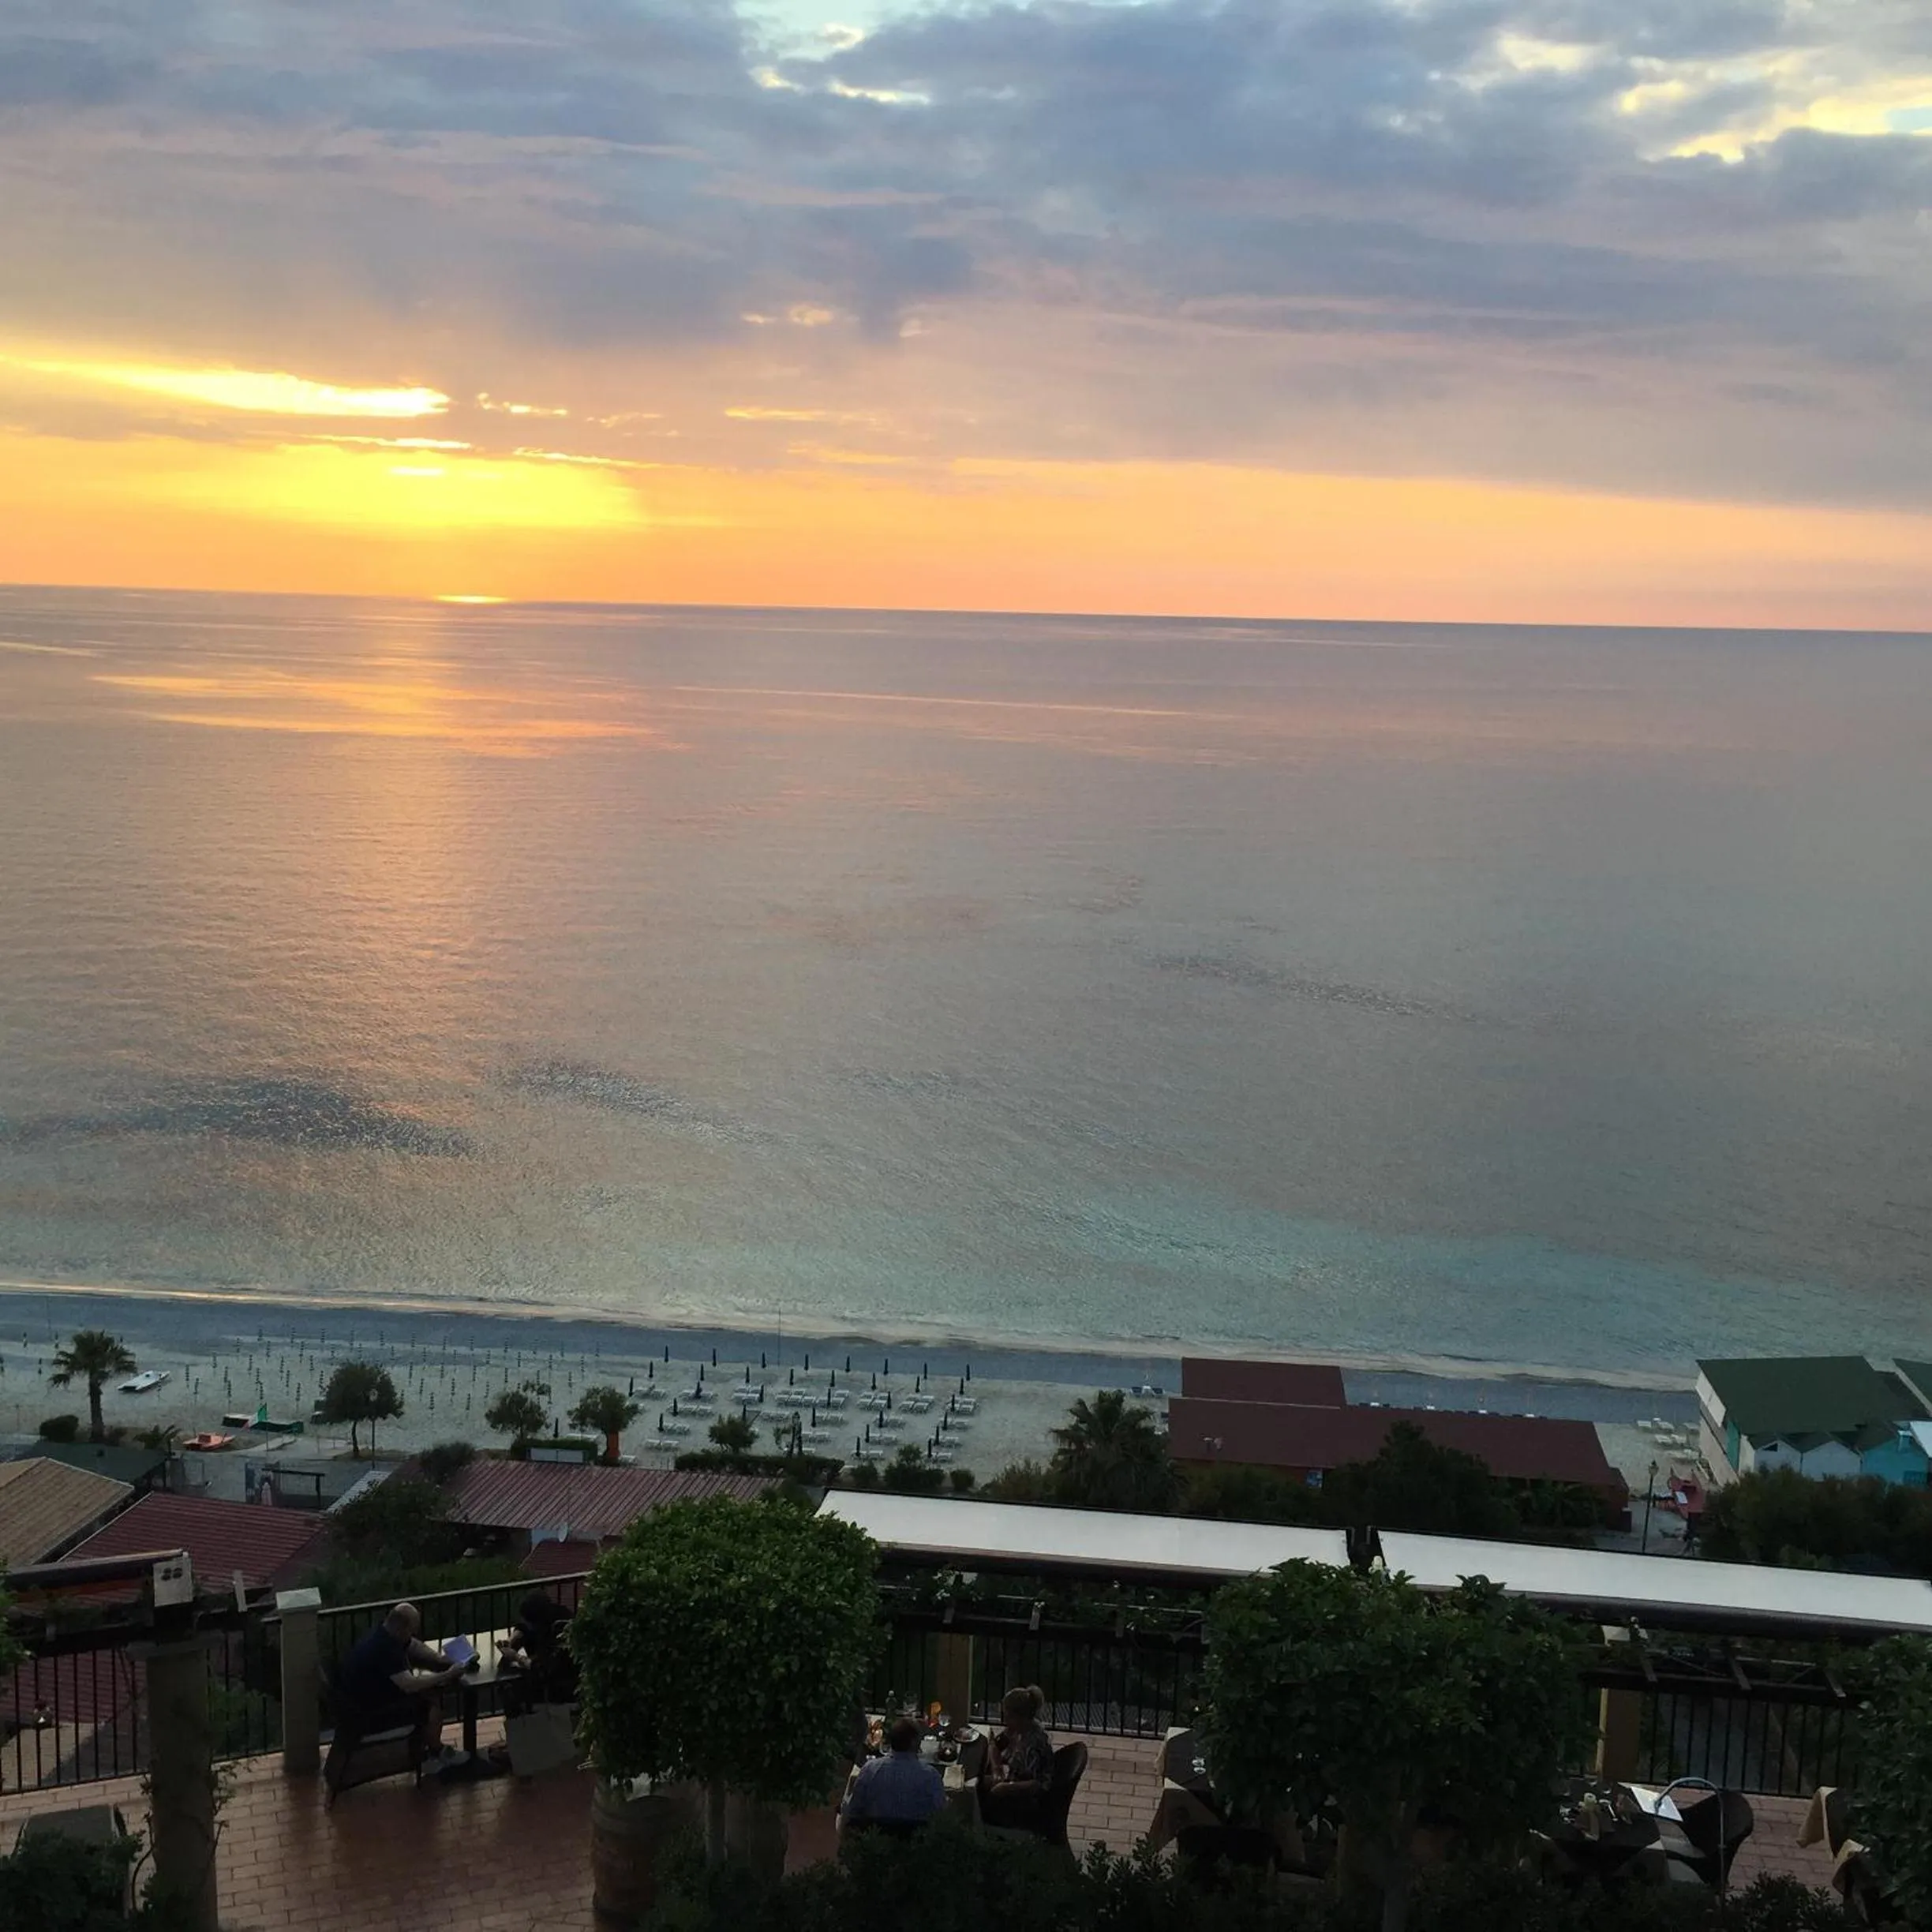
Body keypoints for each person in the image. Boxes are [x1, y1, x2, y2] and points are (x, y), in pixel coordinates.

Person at [336, 1601, 469, 1769]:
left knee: (427, 1693)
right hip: (366, 1716)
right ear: (402, 1629)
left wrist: (441, 1661)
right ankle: (435, 1754)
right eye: (412, 1631)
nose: (412, 1635)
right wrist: (447, 1675)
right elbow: (409, 1685)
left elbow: (413, 1645)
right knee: (430, 1703)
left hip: (358, 1705)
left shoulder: (382, 1634)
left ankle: (423, 1753)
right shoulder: (385, 1649)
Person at [841, 1714, 946, 1832]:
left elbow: (853, 1810)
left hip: (876, 1843)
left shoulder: (870, 1770)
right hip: (916, 1845)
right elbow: (942, 1815)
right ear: (913, 1743)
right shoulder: (930, 1776)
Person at [977, 1685, 1054, 1830]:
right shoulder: (1016, 1730)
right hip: (1013, 1782)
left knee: (980, 1794)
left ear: (1021, 1717)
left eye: (1007, 1716)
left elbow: (1038, 1784)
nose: (1004, 1721)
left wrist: (1006, 1788)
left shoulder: (1034, 1743)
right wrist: (996, 1768)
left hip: (1027, 1800)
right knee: (978, 1782)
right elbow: (994, 1745)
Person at [497, 1591, 578, 1717]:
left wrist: (516, 1657)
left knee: (510, 1688)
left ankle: (523, 1724)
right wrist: (512, 1639)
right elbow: (523, 1626)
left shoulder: (559, 1633)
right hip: (550, 1676)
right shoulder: (553, 1613)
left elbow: (542, 1668)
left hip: (559, 1686)